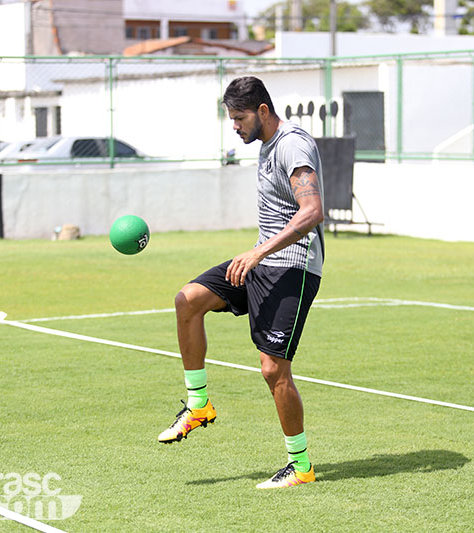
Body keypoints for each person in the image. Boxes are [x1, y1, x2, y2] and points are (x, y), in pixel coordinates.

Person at [157, 76, 325, 489]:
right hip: (261, 261)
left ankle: (300, 467)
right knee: (188, 300)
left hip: (293, 267)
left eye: (238, 118)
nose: (234, 126)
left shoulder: (292, 144)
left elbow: (312, 210)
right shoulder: (268, 146)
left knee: (273, 370)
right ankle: (198, 405)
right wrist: (255, 255)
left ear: (262, 111)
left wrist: (258, 252)